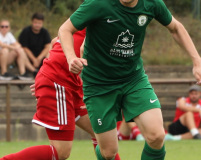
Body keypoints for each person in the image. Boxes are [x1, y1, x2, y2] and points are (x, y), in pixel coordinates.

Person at [58, 0, 201, 159]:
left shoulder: (151, 4)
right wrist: (71, 58)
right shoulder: (98, 3)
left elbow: (176, 28)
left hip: (133, 79)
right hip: (99, 84)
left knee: (157, 136)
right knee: (109, 153)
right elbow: (65, 29)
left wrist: (197, 62)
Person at [0, 29, 121, 160]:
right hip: (60, 83)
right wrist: (51, 75)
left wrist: (48, 71)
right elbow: (89, 54)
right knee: (61, 151)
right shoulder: (104, 15)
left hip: (70, 83)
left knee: (102, 133)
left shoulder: (87, 17)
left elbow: (55, 41)